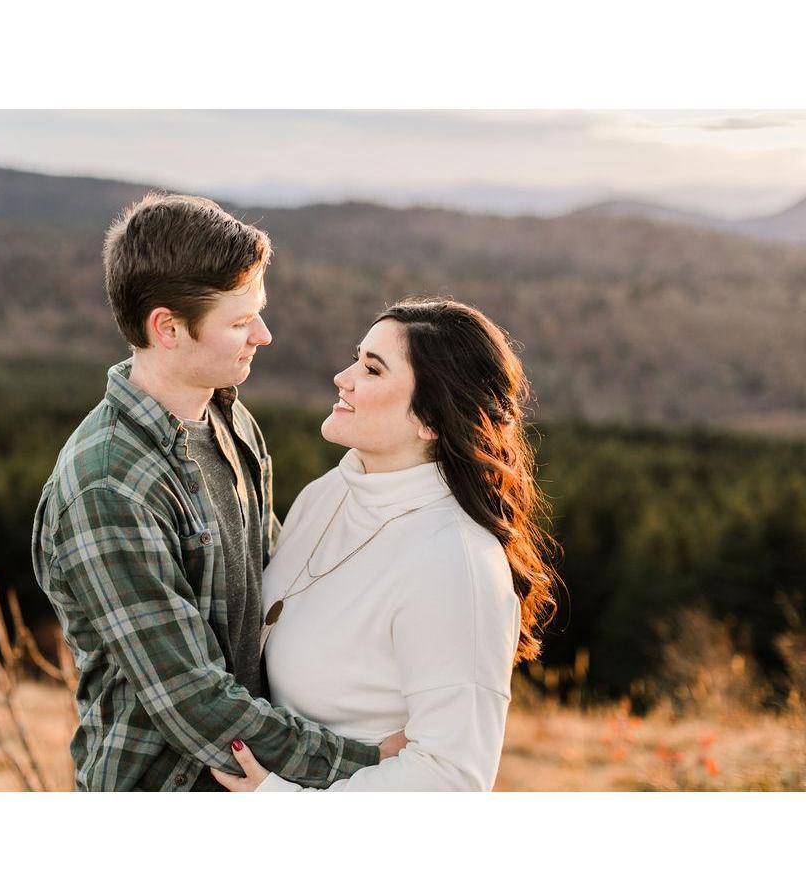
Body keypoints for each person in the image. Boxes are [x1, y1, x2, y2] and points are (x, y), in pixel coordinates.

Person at [32, 192, 404, 791]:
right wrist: (368, 766)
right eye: (239, 322)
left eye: (257, 312)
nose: (264, 334)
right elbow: (196, 701)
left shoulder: (230, 420)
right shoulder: (109, 489)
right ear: (168, 328)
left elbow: (281, 588)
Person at [210, 297, 558, 791]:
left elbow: (451, 780)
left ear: (429, 418)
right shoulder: (327, 495)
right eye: (357, 358)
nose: (343, 377)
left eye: (372, 370)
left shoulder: (454, 561)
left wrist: (281, 801)